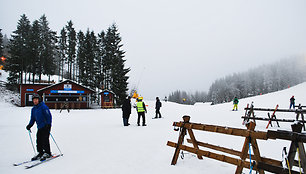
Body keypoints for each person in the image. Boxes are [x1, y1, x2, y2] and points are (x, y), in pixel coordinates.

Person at [26, 93, 52, 161]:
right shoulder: (33, 109)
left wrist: (48, 124)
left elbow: (48, 116)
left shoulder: (43, 107)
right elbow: (33, 118)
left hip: (46, 126)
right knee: (39, 140)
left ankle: (47, 152)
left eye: (36, 100)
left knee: (45, 139)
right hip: (40, 126)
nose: (35, 101)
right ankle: (40, 152)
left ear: (39, 100)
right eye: (34, 100)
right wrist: (30, 125)